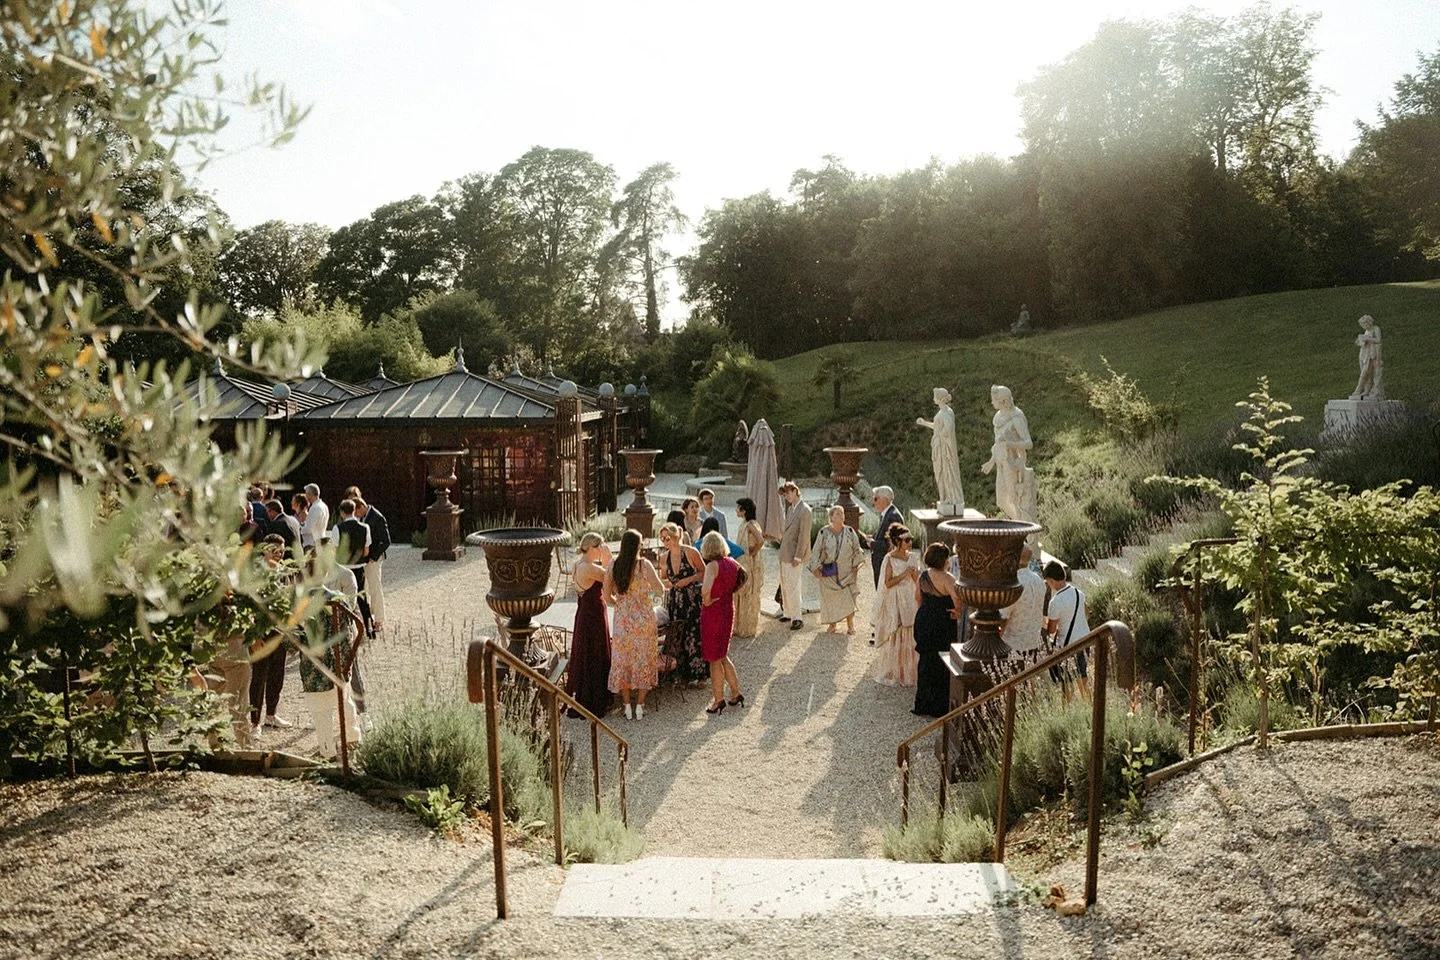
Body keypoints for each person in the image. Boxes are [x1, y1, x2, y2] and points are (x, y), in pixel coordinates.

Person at [300, 586, 366, 758]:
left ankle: (327, 751)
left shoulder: (301, 603)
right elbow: (354, 631)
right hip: (340, 663)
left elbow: (292, 642)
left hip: (315, 669)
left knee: (321, 710)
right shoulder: (340, 599)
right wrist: (347, 660)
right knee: (344, 699)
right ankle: (353, 737)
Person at [605, 529, 663, 720]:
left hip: (623, 620)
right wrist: (649, 603)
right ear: (638, 546)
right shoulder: (644, 565)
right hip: (644, 618)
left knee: (623, 661)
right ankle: (640, 705)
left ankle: (627, 706)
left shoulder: (613, 565)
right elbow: (659, 589)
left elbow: (607, 597)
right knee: (644, 659)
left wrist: (621, 603)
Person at [248, 535, 295, 736]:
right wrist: (252, 636)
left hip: (280, 631)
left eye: (282, 550)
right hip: (260, 631)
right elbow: (248, 605)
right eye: (275, 549)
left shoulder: (285, 571)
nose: (279, 553)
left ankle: (271, 715)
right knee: (259, 676)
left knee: (278, 673)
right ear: (265, 549)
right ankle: (254, 722)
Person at [566, 532, 613, 718]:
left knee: (586, 652)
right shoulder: (590, 568)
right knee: (595, 652)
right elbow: (611, 578)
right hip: (593, 614)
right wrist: (608, 558)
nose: (602, 549)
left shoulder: (577, 564)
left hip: (585, 612)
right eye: (600, 546)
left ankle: (587, 696)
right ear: (593, 547)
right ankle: (594, 700)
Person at [699, 531, 745, 715]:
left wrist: (707, 600)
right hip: (727, 608)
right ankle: (735, 693)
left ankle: (718, 699)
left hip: (714, 612)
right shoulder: (732, 563)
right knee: (723, 654)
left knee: (714, 659)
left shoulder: (712, 566)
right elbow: (743, 578)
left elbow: (705, 590)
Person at [913, 542, 961, 717]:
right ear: (944, 560)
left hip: (924, 619)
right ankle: (939, 706)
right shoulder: (948, 579)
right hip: (941, 621)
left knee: (925, 661)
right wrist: (956, 613)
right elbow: (957, 601)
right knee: (942, 661)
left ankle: (923, 702)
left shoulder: (923, 576)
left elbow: (917, 598)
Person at [871, 525, 921, 685]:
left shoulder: (913, 557)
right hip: (895, 597)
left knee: (910, 629)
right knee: (897, 629)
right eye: (906, 540)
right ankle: (896, 670)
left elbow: (917, 581)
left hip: (910, 596)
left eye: (910, 539)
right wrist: (904, 574)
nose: (910, 542)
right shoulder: (889, 558)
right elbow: (888, 583)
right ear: (897, 541)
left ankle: (910, 670)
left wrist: (914, 576)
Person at [657, 521, 706, 685]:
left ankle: (699, 674)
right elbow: (662, 579)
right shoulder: (664, 558)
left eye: (667, 538)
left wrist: (688, 580)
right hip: (675, 600)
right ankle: (677, 673)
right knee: (676, 633)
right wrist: (669, 584)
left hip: (691, 599)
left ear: (675, 536)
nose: (665, 542)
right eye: (662, 539)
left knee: (694, 634)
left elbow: (703, 572)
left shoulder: (691, 552)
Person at [982, 385, 1034, 523]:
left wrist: (1010, 444)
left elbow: (1028, 443)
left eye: (994, 399)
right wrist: (991, 462)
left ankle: (1023, 530)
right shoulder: (998, 417)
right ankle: (1021, 524)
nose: (992, 402)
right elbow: (998, 444)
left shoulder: (1016, 417)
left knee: (1014, 499)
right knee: (1001, 501)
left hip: (1013, 463)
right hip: (1001, 462)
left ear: (1003, 401)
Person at [809, 504, 864, 635]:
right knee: (830, 598)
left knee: (849, 597)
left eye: (842, 513)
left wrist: (856, 565)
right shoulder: (824, 532)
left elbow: (858, 550)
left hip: (847, 571)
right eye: (837, 513)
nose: (841, 515)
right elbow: (816, 551)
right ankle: (832, 624)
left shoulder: (850, 532)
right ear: (831, 517)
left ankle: (850, 625)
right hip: (829, 570)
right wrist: (815, 567)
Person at [1042, 559, 1091, 701]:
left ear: (1051, 580)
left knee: (1067, 685)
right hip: (1085, 640)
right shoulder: (1079, 593)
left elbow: (1051, 630)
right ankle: (1089, 709)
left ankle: (1067, 712)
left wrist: (1043, 621)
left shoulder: (1056, 601)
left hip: (1068, 646)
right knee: (1083, 681)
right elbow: (1086, 614)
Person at [915, 387, 965, 510]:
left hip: (944, 448)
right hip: (939, 446)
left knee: (947, 471)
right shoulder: (943, 412)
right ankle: (945, 497)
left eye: (935, 396)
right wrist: (924, 423)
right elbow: (937, 427)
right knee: (940, 472)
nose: (933, 399)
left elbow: (948, 427)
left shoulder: (947, 412)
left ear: (940, 398)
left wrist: (940, 437)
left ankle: (951, 498)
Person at [351, 496, 391, 636]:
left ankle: (380, 619)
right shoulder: (362, 518)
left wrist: (373, 557)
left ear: (361, 508)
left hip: (374, 559)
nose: (356, 516)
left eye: (356, 513)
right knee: (367, 589)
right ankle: (371, 616)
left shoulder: (377, 517)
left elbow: (386, 541)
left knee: (375, 588)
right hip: (364, 560)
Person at [777, 481, 812, 631]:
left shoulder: (804, 510)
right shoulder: (791, 509)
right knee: (785, 584)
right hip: (786, 552)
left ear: (795, 491)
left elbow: (804, 535)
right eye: (785, 495)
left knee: (793, 585)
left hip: (794, 555)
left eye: (788, 493)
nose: (787, 497)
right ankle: (788, 611)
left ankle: (797, 617)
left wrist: (798, 556)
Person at [1000, 547, 1046, 660]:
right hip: (1034, 642)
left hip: (1013, 644)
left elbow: (1003, 617)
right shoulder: (1039, 580)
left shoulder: (1013, 584)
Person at [732, 497, 765, 638]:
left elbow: (761, 540)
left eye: (738, 508)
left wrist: (753, 551)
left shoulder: (751, 525)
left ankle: (747, 627)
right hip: (744, 561)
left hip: (750, 563)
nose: (735, 510)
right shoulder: (745, 523)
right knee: (741, 592)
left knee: (748, 591)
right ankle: (739, 625)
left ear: (743, 510)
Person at [861, 485, 905, 587]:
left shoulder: (893, 516)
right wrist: (873, 537)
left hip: (887, 565)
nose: (874, 502)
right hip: (882, 563)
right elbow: (885, 537)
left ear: (885, 499)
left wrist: (872, 543)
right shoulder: (887, 514)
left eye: (875, 498)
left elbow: (892, 545)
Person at [1350, 314, 1384, 400]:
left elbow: (1378, 340)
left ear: (1369, 322)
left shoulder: (1376, 329)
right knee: (1367, 373)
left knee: (1367, 372)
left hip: (1373, 354)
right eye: (1363, 325)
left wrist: (1367, 339)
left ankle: (1358, 389)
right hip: (1365, 353)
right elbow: (1365, 342)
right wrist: (1359, 341)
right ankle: (1366, 390)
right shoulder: (1367, 331)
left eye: (1365, 324)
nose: (1364, 326)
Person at [300, 483, 329, 552]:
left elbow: (309, 528)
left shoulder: (314, 508)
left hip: (312, 543)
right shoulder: (324, 506)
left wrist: (298, 530)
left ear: (310, 494)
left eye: (306, 494)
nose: (306, 496)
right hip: (321, 540)